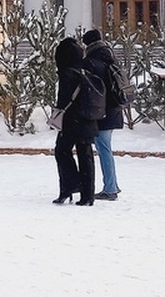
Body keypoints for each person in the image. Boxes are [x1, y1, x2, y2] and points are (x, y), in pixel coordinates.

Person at [52, 37, 98, 206]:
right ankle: (88, 195)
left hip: (72, 121)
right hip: (88, 119)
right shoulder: (86, 71)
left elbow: (63, 101)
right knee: (86, 156)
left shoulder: (67, 74)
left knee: (62, 151)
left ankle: (70, 186)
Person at [83, 29, 123, 201]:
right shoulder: (110, 56)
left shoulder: (91, 62)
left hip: (101, 111)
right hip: (114, 109)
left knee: (104, 149)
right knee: (105, 148)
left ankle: (110, 188)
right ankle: (112, 185)